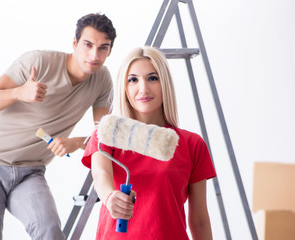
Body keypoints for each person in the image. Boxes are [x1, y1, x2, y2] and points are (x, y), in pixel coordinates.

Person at [0, 13, 116, 240]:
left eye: (103, 48)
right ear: (74, 44)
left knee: (50, 231)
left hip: (29, 171)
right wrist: (19, 93)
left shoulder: (102, 79)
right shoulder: (39, 62)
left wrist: (75, 143)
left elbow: (103, 136)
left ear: (110, 51)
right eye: (88, 45)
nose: (94, 55)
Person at [81, 46, 216, 240]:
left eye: (152, 78)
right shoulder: (106, 135)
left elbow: (199, 221)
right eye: (133, 80)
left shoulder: (191, 144)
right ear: (124, 87)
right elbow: (101, 175)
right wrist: (110, 196)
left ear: (165, 83)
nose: (143, 89)